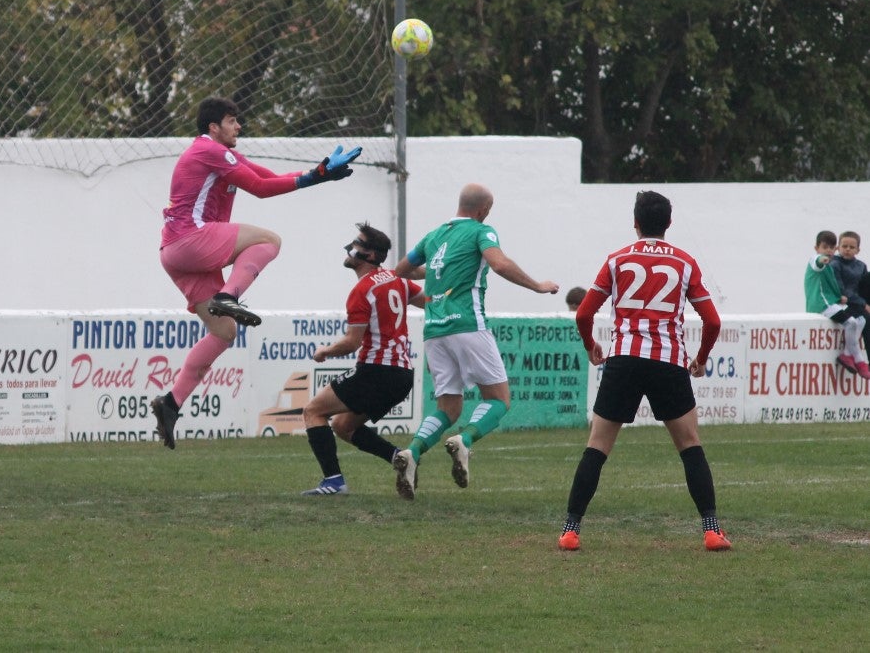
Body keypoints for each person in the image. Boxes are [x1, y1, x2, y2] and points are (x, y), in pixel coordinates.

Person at [150, 97, 361, 449]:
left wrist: (320, 173)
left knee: (223, 331)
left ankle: (171, 404)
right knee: (269, 240)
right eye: (232, 120)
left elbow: (268, 177)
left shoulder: (221, 155)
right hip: (190, 238)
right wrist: (316, 177)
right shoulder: (209, 150)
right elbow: (262, 190)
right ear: (213, 127)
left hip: (175, 253)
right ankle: (228, 296)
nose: (238, 126)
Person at [558, 190, 730, 552]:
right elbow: (712, 320)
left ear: (635, 222)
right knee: (689, 445)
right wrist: (700, 358)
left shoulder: (617, 259)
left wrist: (591, 345)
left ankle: (571, 530)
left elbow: (584, 314)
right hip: (668, 361)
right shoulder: (684, 262)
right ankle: (712, 530)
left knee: (598, 445)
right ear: (669, 223)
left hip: (624, 359)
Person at [391, 183, 559, 498]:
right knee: (499, 399)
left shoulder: (434, 235)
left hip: (434, 330)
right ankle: (464, 441)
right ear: (482, 211)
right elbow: (499, 264)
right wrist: (537, 286)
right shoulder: (482, 231)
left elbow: (401, 270)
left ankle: (412, 453)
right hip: (468, 324)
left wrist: (438, 275)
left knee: (449, 407)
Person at [300, 223, 429, 495]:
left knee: (313, 411)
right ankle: (400, 459)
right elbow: (429, 302)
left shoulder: (361, 291)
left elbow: (352, 342)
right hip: (402, 375)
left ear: (369, 255)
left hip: (376, 371)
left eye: (356, 244)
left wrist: (325, 351)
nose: (350, 248)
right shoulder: (398, 279)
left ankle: (334, 481)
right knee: (343, 425)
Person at [805, 230, 867, 378]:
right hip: (821, 305)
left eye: (832, 248)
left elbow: (831, 287)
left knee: (861, 320)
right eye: (825, 247)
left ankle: (846, 354)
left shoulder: (831, 266)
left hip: (830, 303)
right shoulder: (816, 260)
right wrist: (823, 259)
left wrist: (840, 298)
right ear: (816, 248)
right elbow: (817, 262)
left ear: (835, 249)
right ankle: (859, 360)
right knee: (851, 322)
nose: (828, 251)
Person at [828, 230, 870, 378]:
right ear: (838, 247)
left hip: (858, 303)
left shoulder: (861, 266)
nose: (847, 249)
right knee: (865, 318)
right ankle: (857, 358)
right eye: (844, 246)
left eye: (852, 247)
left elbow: (863, 288)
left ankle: (851, 355)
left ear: (858, 250)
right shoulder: (835, 264)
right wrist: (863, 304)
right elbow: (841, 289)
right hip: (843, 303)